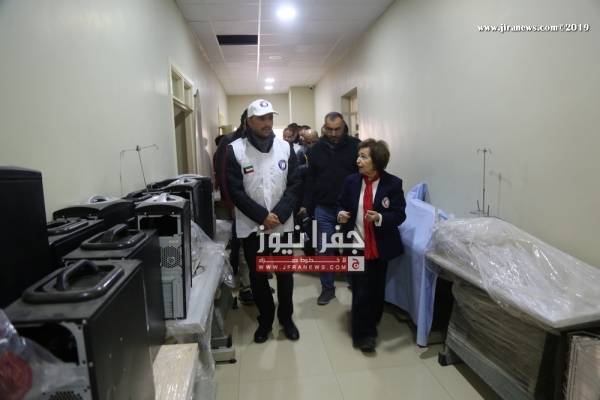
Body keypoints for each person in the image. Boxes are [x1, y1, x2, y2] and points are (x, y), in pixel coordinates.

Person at [225, 99, 301, 343]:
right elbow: (235, 191)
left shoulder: (286, 148)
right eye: (261, 118)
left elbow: (295, 185)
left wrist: (278, 214)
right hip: (252, 227)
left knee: (285, 276)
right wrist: (261, 216)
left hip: (282, 226)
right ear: (249, 121)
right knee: (258, 277)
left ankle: (286, 318)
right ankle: (265, 319)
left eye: (270, 118)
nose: (267, 123)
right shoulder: (235, 149)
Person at [337, 139, 406, 353]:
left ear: (376, 161)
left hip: (380, 246)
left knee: (376, 288)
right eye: (358, 156)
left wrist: (380, 217)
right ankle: (363, 335)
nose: (358, 160)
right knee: (361, 289)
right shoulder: (351, 181)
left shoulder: (393, 184)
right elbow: (340, 204)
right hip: (356, 243)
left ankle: (371, 320)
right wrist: (340, 214)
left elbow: (399, 215)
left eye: (364, 157)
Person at [303, 112, 360, 305]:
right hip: (324, 207)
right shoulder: (315, 150)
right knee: (324, 249)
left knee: (352, 247)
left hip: (349, 207)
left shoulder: (356, 147)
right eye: (330, 129)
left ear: (344, 126)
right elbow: (310, 179)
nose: (334, 133)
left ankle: (354, 282)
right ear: (324, 127)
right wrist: (308, 205)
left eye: (337, 129)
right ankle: (327, 288)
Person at [213, 110, 254, 305]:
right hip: (237, 204)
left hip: (257, 206)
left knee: (254, 245)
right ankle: (246, 286)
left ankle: (255, 282)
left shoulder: (259, 142)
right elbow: (223, 176)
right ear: (246, 122)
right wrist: (231, 204)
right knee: (242, 245)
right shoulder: (229, 142)